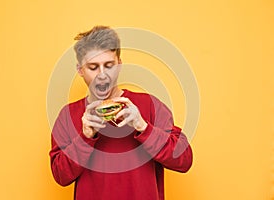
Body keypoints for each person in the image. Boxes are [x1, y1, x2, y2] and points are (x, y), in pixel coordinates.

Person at [49, 25, 193, 200]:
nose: (102, 75)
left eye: (109, 65)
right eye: (93, 67)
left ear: (119, 64)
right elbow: (60, 176)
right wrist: (85, 137)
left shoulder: (149, 105)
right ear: (80, 69)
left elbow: (184, 160)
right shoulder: (67, 115)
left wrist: (143, 127)